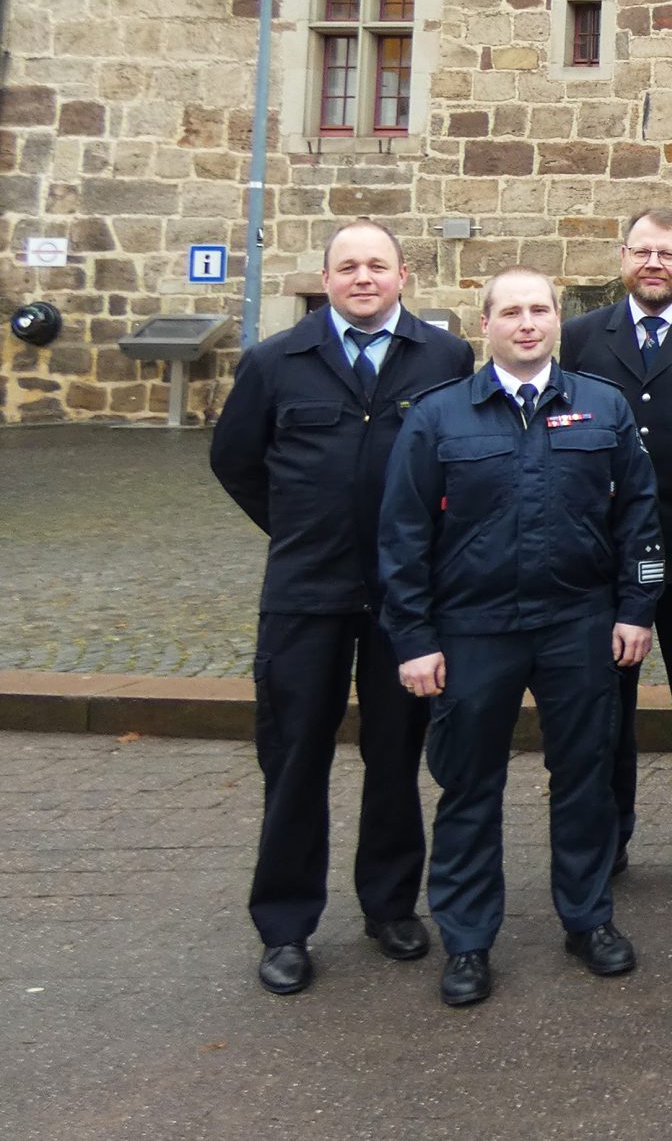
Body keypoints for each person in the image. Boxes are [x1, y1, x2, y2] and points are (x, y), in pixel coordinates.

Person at [375, 266, 663, 1008]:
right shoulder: (437, 417)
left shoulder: (605, 407)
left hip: (580, 624)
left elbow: (641, 517)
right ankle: (468, 941)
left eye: (539, 309)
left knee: (585, 780)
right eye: (511, 311)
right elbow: (402, 537)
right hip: (474, 630)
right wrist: (413, 639)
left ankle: (588, 918)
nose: (527, 322)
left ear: (559, 319)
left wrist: (637, 608)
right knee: (469, 788)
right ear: (485, 325)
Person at [209, 219, 473, 996]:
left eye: (378, 265)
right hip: (305, 595)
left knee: (396, 755)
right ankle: (286, 925)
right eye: (348, 267)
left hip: (405, 599)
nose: (364, 278)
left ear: (404, 276)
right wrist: (297, 527)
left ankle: (390, 906)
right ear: (326, 279)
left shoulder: (446, 358)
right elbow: (235, 461)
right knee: (293, 759)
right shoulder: (274, 362)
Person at [559, 208, 672, 899]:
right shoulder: (578, 338)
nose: (653, 263)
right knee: (608, 704)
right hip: (605, 555)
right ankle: (611, 833)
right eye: (642, 252)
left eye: (668, 252)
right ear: (622, 257)